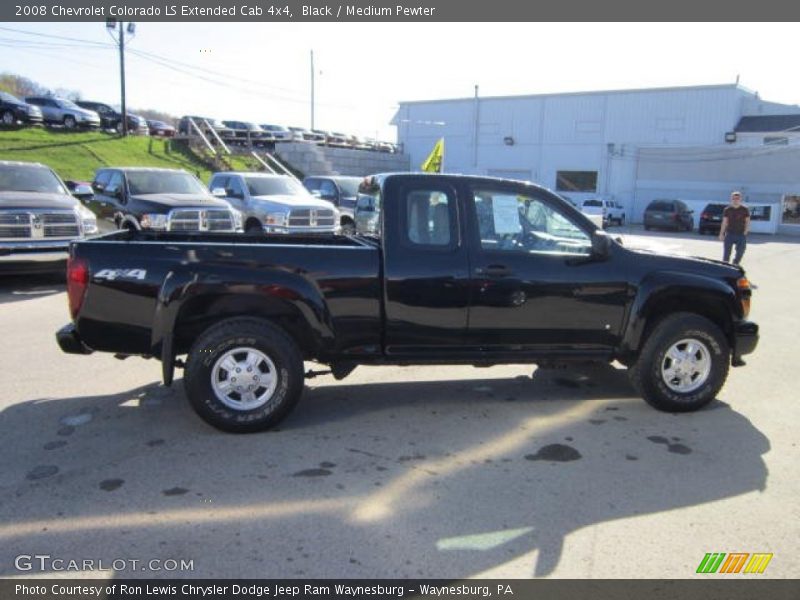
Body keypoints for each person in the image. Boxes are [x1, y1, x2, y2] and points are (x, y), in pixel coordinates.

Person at [719, 191, 750, 265]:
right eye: (734, 198)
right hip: (730, 233)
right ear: (731, 199)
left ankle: (735, 263)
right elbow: (724, 222)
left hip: (741, 234)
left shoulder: (745, 209)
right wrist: (721, 233)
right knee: (727, 253)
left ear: (740, 199)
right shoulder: (727, 209)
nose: (735, 200)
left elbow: (747, 221)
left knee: (741, 251)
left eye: (737, 198)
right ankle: (725, 266)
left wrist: (746, 231)